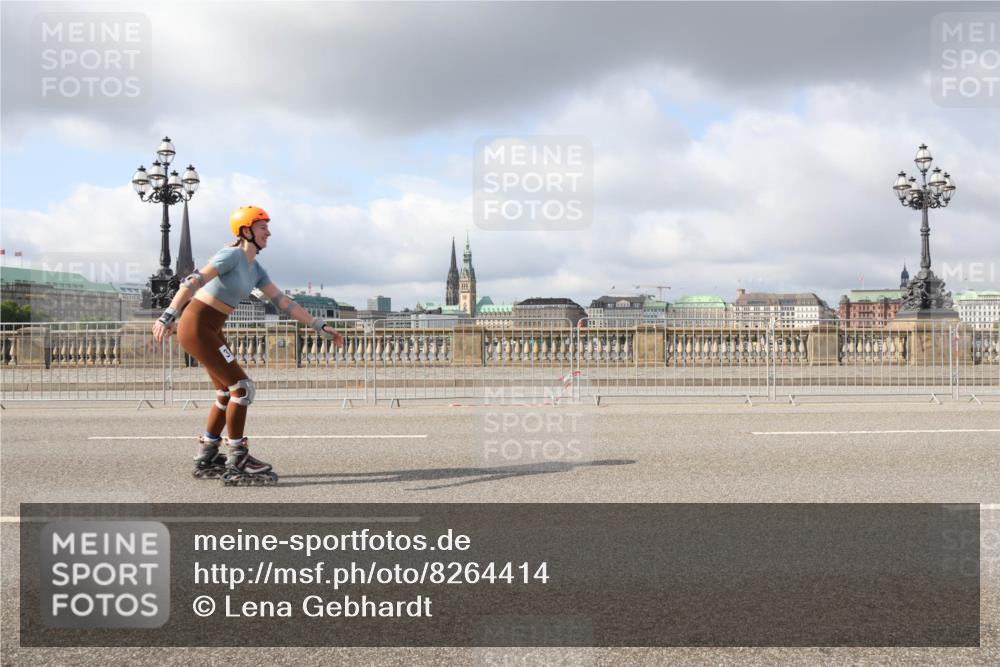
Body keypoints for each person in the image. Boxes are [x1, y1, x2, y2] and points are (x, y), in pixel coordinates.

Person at [152, 205, 344, 485]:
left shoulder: (256, 269)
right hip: (197, 326)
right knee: (242, 387)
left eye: (267, 227)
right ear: (246, 230)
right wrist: (169, 314)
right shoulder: (231, 255)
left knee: (225, 392)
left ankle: (208, 452)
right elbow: (194, 281)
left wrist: (318, 325)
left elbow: (283, 302)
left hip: (211, 328)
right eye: (263, 226)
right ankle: (238, 456)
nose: (269, 232)